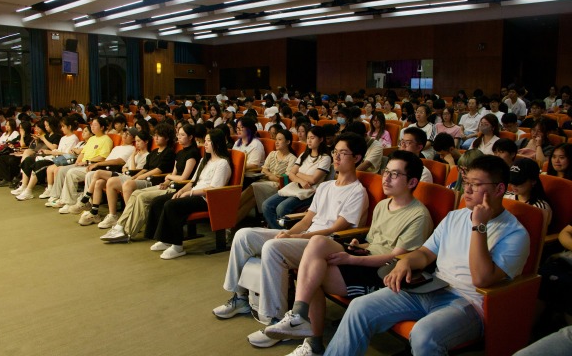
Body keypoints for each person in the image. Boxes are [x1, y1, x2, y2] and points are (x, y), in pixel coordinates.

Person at [325, 155, 531, 356]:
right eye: (466, 182)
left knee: (424, 334)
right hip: (433, 286)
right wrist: (405, 263)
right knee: (360, 306)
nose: (467, 190)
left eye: (476, 185)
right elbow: (425, 253)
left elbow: (481, 279)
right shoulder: (454, 217)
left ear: (499, 189)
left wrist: (479, 227)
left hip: (469, 303)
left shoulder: (515, 234)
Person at [263, 151, 433, 354]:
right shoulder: (383, 205)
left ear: (412, 182)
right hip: (364, 257)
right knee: (317, 243)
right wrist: (359, 246)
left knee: (310, 275)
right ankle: (299, 316)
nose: (386, 178)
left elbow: (396, 259)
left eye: (395, 174)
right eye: (386, 172)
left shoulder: (418, 215)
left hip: (382, 273)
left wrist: (352, 258)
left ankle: (312, 342)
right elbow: (373, 243)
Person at [213, 133, 369, 347]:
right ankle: (240, 297)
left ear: (357, 158)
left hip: (325, 244)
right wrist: (289, 233)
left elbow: (336, 229)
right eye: (335, 152)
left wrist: (297, 237)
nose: (337, 157)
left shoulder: (357, 192)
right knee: (244, 235)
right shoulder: (325, 187)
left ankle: (276, 320)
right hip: (306, 237)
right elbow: (306, 221)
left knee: (273, 248)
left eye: (343, 153)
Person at [100, 123, 201, 243]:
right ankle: (119, 226)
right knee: (135, 193)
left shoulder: (192, 153)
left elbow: (184, 177)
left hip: (180, 187)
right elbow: (174, 173)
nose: (179, 137)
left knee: (142, 197)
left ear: (191, 137)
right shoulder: (180, 153)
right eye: (178, 134)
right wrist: (167, 181)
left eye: (182, 135)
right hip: (170, 184)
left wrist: (169, 177)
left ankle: (127, 232)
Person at [143, 129, 231, 259]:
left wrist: (190, 193)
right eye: (205, 141)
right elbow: (192, 181)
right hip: (194, 193)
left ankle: (177, 246)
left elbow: (214, 188)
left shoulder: (222, 163)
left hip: (206, 199)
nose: (205, 144)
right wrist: (182, 191)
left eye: (209, 141)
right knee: (158, 201)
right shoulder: (204, 160)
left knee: (171, 205)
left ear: (217, 143)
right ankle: (165, 240)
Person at [262, 125, 331, 229]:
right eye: (308, 138)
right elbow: (291, 174)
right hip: (295, 187)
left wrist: (298, 174)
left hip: (309, 192)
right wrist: (301, 180)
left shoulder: (325, 158)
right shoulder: (304, 155)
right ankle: (278, 231)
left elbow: (313, 179)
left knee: (281, 208)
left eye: (312, 138)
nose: (309, 141)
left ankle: (283, 233)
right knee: (266, 205)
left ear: (321, 139)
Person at [45, 117, 114, 209]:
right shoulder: (92, 138)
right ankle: (57, 196)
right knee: (61, 170)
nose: (92, 127)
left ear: (102, 127)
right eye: (91, 125)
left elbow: (102, 157)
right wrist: (78, 161)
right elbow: (83, 152)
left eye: (95, 125)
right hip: (83, 164)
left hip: (92, 165)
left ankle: (69, 202)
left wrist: (85, 162)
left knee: (71, 173)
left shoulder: (106, 140)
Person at [235, 129, 297, 224]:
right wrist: (272, 176)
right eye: (276, 139)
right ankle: (231, 222)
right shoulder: (272, 154)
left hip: (277, 186)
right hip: (265, 182)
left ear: (288, 142)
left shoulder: (292, 158)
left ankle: (228, 214)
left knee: (253, 187)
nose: (276, 142)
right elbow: (263, 170)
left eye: (280, 139)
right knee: (254, 199)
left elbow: (285, 179)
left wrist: (269, 175)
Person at [14, 116, 80, 200]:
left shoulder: (74, 138)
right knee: (28, 160)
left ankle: (29, 190)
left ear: (69, 127)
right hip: (54, 156)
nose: (62, 128)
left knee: (38, 164)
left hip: (61, 159)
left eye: (63, 126)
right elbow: (57, 150)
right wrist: (48, 152)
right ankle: (24, 185)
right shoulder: (63, 138)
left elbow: (68, 154)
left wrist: (51, 152)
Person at [504, 157, 552, 227]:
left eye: (518, 182)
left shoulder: (540, 208)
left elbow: (538, 232)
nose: (513, 185)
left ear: (533, 181)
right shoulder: (505, 197)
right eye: (511, 181)